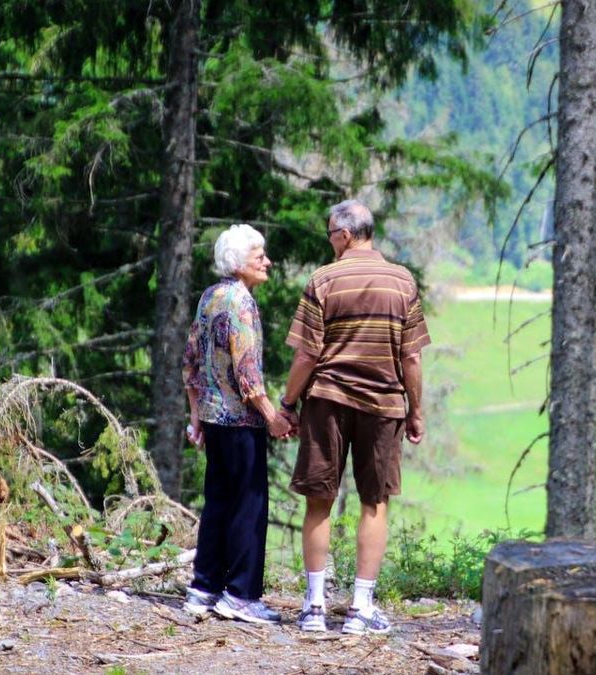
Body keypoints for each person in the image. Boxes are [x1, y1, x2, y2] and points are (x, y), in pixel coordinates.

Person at [278, 199, 431, 634]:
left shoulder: (323, 279)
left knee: (319, 501)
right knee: (375, 503)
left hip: (326, 401)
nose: (330, 242)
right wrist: (416, 411)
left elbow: (308, 354)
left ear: (345, 235)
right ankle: (361, 609)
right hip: (383, 406)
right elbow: (412, 358)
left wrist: (288, 405)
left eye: (330, 235)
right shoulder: (402, 282)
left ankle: (313, 608)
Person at [180, 224, 291, 625]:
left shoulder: (209, 297)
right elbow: (248, 374)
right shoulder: (241, 303)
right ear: (239, 262)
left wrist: (196, 419)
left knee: (219, 503)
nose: (267, 261)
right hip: (241, 421)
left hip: (213, 418)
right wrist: (273, 417)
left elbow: (190, 362)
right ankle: (241, 594)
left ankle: (204, 587)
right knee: (249, 505)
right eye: (259, 255)